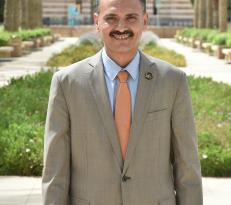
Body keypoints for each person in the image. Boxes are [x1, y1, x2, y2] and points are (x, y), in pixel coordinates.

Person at [42, 0, 203, 204]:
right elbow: (55, 172)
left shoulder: (173, 80)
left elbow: (187, 168)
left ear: (145, 21)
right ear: (97, 22)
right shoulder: (67, 83)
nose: (121, 27)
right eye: (111, 18)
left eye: (131, 18)